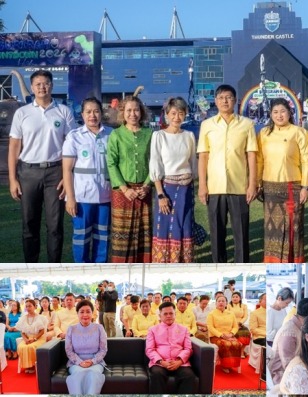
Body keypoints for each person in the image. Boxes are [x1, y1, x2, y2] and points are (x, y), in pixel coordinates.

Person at [8, 70, 76, 263]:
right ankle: (31, 264)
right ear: (32, 87)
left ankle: (54, 265)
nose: (42, 87)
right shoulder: (22, 113)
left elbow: (71, 145)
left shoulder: (64, 112)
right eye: (38, 84)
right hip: (28, 173)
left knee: (55, 226)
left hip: (56, 173)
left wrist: (66, 175)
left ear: (52, 86)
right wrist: (13, 180)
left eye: (45, 83)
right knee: (29, 225)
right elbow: (14, 147)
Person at [197, 85, 259, 263]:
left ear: (235, 100)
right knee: (217, 232)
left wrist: (252, 184)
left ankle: (242, 264)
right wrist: (202, 185)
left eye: (229, 97)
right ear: (215, 101)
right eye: (221, 97)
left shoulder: (247, 124)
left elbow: (251, 155)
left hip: (239, 186)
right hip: (214, 187)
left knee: (241, 232)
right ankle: (219, 265)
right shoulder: (207, 125)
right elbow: (203, 156)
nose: (225, 101)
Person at [258, 98, 308, 263]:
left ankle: (292, 263)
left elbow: (307, 160)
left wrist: (305, 187)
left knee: (292, 229)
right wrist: (257, 184)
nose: (279, 115)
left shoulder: (299, 132)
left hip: (292, 187)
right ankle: (273, 262)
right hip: (270, 188)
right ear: (270, 114)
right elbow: (259, 160)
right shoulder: (264, 133)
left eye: (283, 111)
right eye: (275, 112)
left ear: (290, 113)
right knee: (272, 230)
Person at [62, 96, 112, 263]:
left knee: (103, 236)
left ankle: (100, 266)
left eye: (96, 111)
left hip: (106, 196)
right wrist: (70, 198)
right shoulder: (75, 136)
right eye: (88, 112)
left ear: (101, 113)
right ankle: (81, 265)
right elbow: (67, 169)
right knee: (81, 236)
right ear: (82, 115)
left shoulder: (111, 135)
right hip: (82, 197)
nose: (92, 115)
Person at [149, 96, 197, 263]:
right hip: (167, 189)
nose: (177, 117)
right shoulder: (159, 135)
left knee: (185, 226)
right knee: (166, 227)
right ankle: (165, 261)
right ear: (167, 115)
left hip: (186, 188)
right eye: (174, 113)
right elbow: (155, 164)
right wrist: (161, 195)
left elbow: (193, 163)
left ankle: (184, 261)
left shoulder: (189, 135)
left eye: (181, 113)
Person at [107, 95, 153, 262]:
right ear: (122, 113)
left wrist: (147, 185)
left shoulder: (150, 134)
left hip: (143, 190)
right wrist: (125, 188)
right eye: (129, 110)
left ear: (141, 112)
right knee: (122, 234)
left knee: (143, 233)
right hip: (122, 191)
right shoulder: (116, 135)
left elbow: (155, 162)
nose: (132, 114)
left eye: (136, 110)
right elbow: (111, 163)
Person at [146, 301, 197, 394]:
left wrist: (179, 362)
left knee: (189, 376)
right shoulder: (152, 330)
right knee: (156, 375)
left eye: (171, 313)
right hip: (159, 363)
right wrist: (162, 362)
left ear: (175, 314)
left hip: (180, 363)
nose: (168, 316)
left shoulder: (184, 329)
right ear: (160, 315)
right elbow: (149, 350)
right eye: (165, 314)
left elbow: (188, 349)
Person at [271, 297, 308, 384]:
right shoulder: (289, 332)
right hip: (283, 377)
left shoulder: (299, 327)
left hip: (298, 371)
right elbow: (288, 365)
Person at [64, 299, 107, 394]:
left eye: (88, 311)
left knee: (93, 374)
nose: (85, 315)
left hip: (96, 362)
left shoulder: (99, 328)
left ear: (92, 313)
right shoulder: (71, 329)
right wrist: (79, 362)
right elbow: (69, 351)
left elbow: (103, 350)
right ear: (77, 314)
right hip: (75, 363)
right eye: (82, 312)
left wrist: (92, 361)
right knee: (79, 374)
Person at [208, 294, 242, 374]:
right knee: (226, 344)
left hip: (229, 335)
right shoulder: (211, 314)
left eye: (223, 301)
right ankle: (225, 365)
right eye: (219, 301)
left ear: (226, 303)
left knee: (237, 344)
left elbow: (235, 327)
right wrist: (222, 335)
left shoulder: (231, 314)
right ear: (216, 303)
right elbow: (210, 327)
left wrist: (231, 334)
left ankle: (233, 364)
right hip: (216, 337)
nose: (221, 303)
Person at [14, 298, 48, 373]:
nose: (28, 308)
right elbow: (22, 332)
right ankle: (27, 365)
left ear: (35, 307)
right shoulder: (23, 318)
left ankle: (33, 365)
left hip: (38, 338)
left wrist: (34, 339)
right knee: (21, 346)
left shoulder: (40, 317)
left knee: (31, 347)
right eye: (26, 306)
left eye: (30, 306)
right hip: (28, 338)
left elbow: (42, 331)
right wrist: (26, 339)